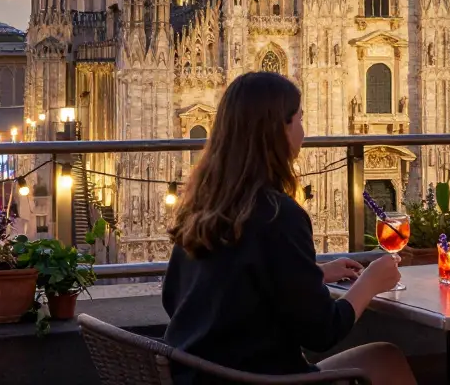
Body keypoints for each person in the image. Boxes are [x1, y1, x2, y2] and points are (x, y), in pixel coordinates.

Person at [163, 71, 417, 385]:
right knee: (387, 360)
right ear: (276, 131)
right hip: (260, 380)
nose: (304, 131)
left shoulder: (200, 205)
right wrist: (370, 281)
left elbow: (174, 296)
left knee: (384, 357)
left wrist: (308, 274)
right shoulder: (278, 214)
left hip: (203, 376)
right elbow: (322, 331)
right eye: (298, 119)